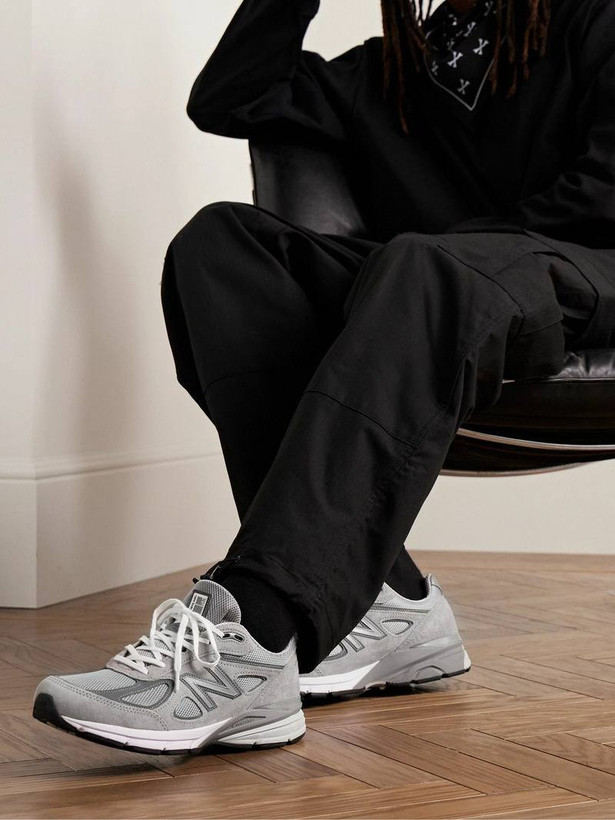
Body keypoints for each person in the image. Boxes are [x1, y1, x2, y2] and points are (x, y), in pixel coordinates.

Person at [33, 0, 615, 754]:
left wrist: (435, 261)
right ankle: (385, 599)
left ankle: (257, 630)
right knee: (221, 248)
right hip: (436, 284)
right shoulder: (386, 72)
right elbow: (231, 97)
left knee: (422, 264)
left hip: (587, 275)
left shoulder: (592, 17)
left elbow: (605, 194)